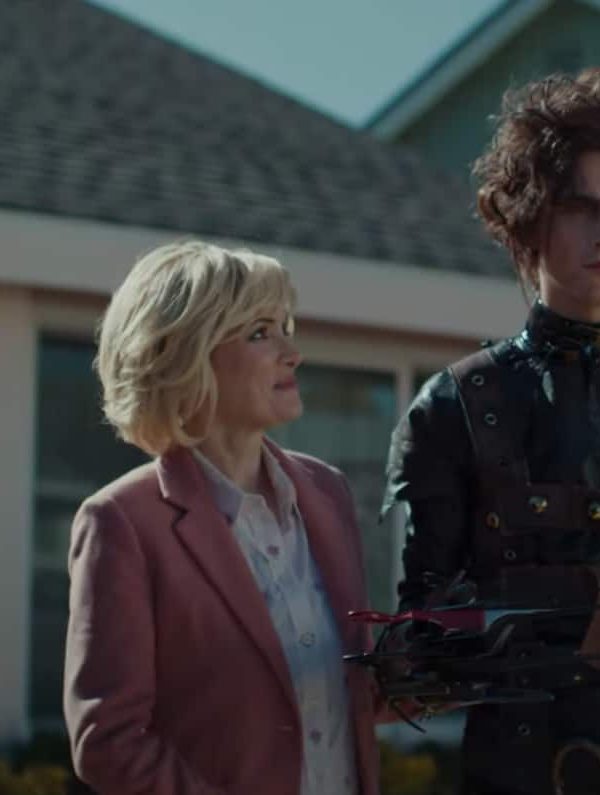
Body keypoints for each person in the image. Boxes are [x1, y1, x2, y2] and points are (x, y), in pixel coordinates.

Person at [63, 240, 380, 795]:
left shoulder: (327, 492)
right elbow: (109, 740)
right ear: (185, 357)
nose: (292, 352)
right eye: (260, 333)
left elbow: (347, 692)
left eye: (286, 327)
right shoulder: (122, 523)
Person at [380, 68, 600, 795]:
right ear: (532, 216)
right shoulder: (459, 404)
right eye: (581, 208)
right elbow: (418, 643)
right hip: (523, 767)